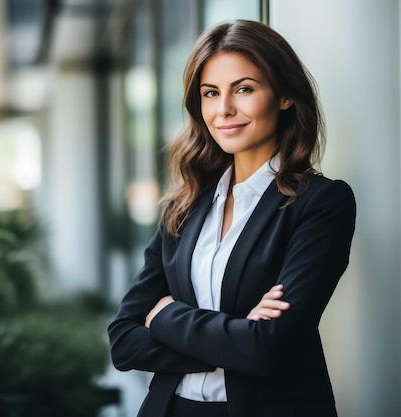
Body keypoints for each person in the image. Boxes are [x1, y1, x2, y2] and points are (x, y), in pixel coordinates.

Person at [108, 19, 356, 417]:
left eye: (243, 89)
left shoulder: (321, 204)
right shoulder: (182, 208)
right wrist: (233, 337)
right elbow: (123, 340)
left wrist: (166, 316)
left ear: (284, 96)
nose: (224, 109)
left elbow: (268, 348)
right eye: (210, 93)